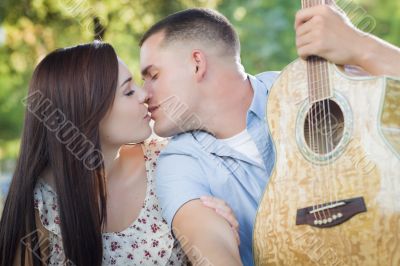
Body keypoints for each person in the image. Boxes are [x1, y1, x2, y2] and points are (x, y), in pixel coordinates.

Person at [139, 5, 400, 266]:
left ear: (197, 63)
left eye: (153, 75)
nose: (143, 94)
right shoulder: (179, 161)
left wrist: (360, 45)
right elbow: (209, 247)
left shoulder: (307, 90)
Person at [0, 42, 239, 266]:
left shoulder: (166, 160)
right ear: (87, 112)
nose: (144, 95)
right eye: (127, 92)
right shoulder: (38, 207)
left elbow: (209, 240)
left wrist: (219, 230)